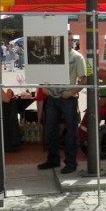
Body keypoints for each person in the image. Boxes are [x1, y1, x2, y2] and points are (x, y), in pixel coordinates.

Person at [37, 32, 87, 174]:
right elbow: (41, 74)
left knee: (71, 131)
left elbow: (83, 81)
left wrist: (70, 93)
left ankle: (71, 162)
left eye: (72, 40)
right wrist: (45, 88)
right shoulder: (52, 56)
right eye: (68, 40)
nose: (71, 42)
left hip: (67, 98)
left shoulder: (77, 57)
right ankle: (53, 159)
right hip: (53, 97)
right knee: (50, 129)